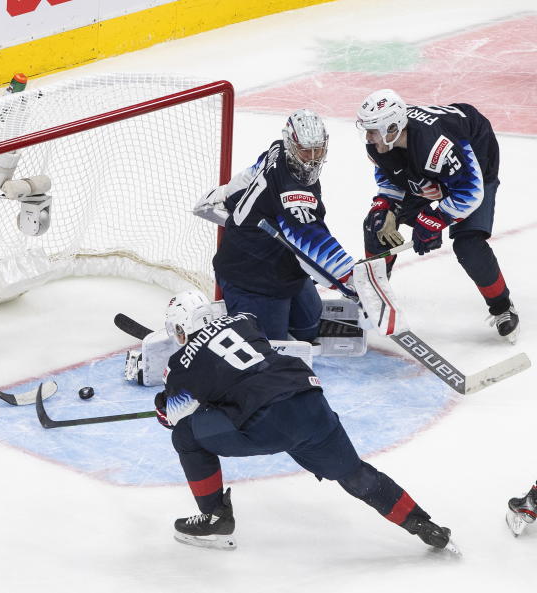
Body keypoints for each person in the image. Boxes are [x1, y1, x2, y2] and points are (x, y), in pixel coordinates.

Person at [154, 290, 458, 554]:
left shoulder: (180, 363)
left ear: (182, 326)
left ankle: (215, 516)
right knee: (355, 474)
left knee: (185, 436)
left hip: (266, 421)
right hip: (308, 401)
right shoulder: (244, 319)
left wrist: (163, 405)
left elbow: (173, 416)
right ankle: (421, 523)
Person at [355, 89, 518, 343]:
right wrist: (386, 204)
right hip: (428, 163)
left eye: (373, 130)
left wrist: (435, 218)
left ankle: (502, 307)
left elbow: (470, 191)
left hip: (474, 150)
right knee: (377, 224)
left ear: (393, 127)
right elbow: (390, 174)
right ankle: (375, 297)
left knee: (468, 244)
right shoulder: (381, 141)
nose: (367, 136)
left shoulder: (437, 147)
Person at [196, 109, 354, 342]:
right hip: (249, 274)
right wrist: (351, 278)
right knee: (268, 345)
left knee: (308, 328)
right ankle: (215, 324)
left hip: (282, 264)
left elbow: (251, 176)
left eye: (317, 150)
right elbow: (311, 239)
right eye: (305, 150)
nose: (312, 158)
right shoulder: (294, 192)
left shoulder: (278, 150)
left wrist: (227, 196)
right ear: (291, 144)